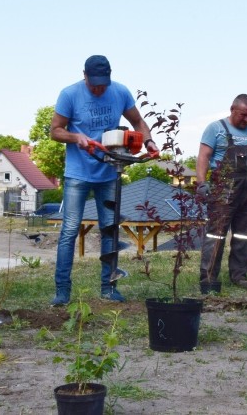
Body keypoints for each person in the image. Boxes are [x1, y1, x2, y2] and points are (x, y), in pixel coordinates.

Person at [50, 55, 158, 306]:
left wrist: (148, 139)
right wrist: (76, 138)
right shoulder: (69, 94)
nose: (99, 89)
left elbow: (138, 121)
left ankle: (109, 288)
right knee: (69, 230)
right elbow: (55, 130)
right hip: (78, 173)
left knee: (109, 229)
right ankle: (62, 291)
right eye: (94, 84)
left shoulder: (120, 92)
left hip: (109, 170)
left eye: (103, 84)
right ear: (84, 75)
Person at [196, 94, 247, 291]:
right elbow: (203, 157)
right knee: (216, 235)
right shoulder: (215, 129)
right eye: (243, 115)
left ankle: (239, 275)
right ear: (232, 109)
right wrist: (201, 182)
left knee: (243, 235)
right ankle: (209, 279)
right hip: (222, 188)